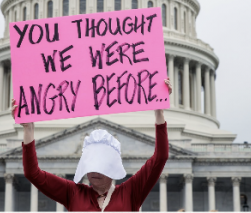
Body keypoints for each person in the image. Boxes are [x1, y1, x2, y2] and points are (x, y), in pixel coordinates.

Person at [14, 78, 171, 211]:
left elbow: (161, 157)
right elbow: (32, 173)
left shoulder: (131, 192)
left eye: (100, 163)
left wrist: (159, 113)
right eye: (91, 162)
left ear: (112, 165)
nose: (94, 169)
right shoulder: (73, 193)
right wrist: (28, 129)